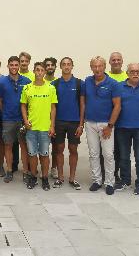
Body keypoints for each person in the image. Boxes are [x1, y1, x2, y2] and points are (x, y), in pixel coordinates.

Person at [83, 56, 121, 195]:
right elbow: (84, 102)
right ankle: (97, 180)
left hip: (106, 124)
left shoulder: (113, 83)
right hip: (90, 123)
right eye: (94, 66)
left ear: (105, 67)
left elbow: (117, 106)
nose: (97, 69)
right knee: (93, 154)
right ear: (91, 67)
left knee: (108, 154)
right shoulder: (87, 81)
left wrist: (110, 126)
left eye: (100, 66)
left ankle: (109, 182)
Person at [115, 63, 139, 195]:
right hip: (122, 127)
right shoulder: (119, 87)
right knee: (124, 156)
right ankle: (125, 180)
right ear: (127, 73)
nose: (135, 73)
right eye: (132, 71)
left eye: (138, 71)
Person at [21, 62, 57, 190]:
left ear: (44, 72)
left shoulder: (51, 88)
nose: (39, 72)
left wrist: (52, 126)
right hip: (31, 128)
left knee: (44, 154)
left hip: (45, 128)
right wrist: (25, 121)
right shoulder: (27, 88)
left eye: (42, 70)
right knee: (32, 154)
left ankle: (45, 178)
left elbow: (53, 108)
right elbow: (23, 105)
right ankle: (33, 177)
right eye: (37, 70)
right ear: (34, 71)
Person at [0, 56, 31, 183]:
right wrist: (5, 111)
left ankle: (26, 172)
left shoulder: (27, 81)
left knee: (24, 146)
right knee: (8, 145)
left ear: (19, 66)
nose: (14, 67)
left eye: (16, 65)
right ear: (8, 66)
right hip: (8, 120)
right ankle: (9, 171)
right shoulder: (2, 82)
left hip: (23, 120)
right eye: (12, 65)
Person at [50, 57, 84, 190]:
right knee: (58, 149)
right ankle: (60, 177)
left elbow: (82, 105)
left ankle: (72, 178)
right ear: (60, 67)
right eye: (64, 64)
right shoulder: (55, 84)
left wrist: (81, 124)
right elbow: (52, 106)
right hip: (59, 122)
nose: (66, 66)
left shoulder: (79, 83)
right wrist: (52, 124)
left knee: (73, 149)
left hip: (74, 122)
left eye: (68, 64)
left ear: (72, 66)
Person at [108, 52, 128, 183]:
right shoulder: (106, 77)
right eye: (113, 60)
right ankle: (107, 174)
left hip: (123, 120)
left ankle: (118, 174)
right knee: (107, 151)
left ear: (122, 62)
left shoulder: (128, 76)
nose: (116, 62)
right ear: (109, 62)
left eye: (118, 60)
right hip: (107, 119)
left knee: (121, 150)